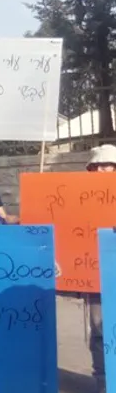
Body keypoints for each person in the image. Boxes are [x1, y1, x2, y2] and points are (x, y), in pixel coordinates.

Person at [83, 144, 116, 393]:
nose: (103, 169)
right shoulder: (77, 197)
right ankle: (104, 383)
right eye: (97, 165)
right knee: (99, 330)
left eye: (109, 164)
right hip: (92, 274)